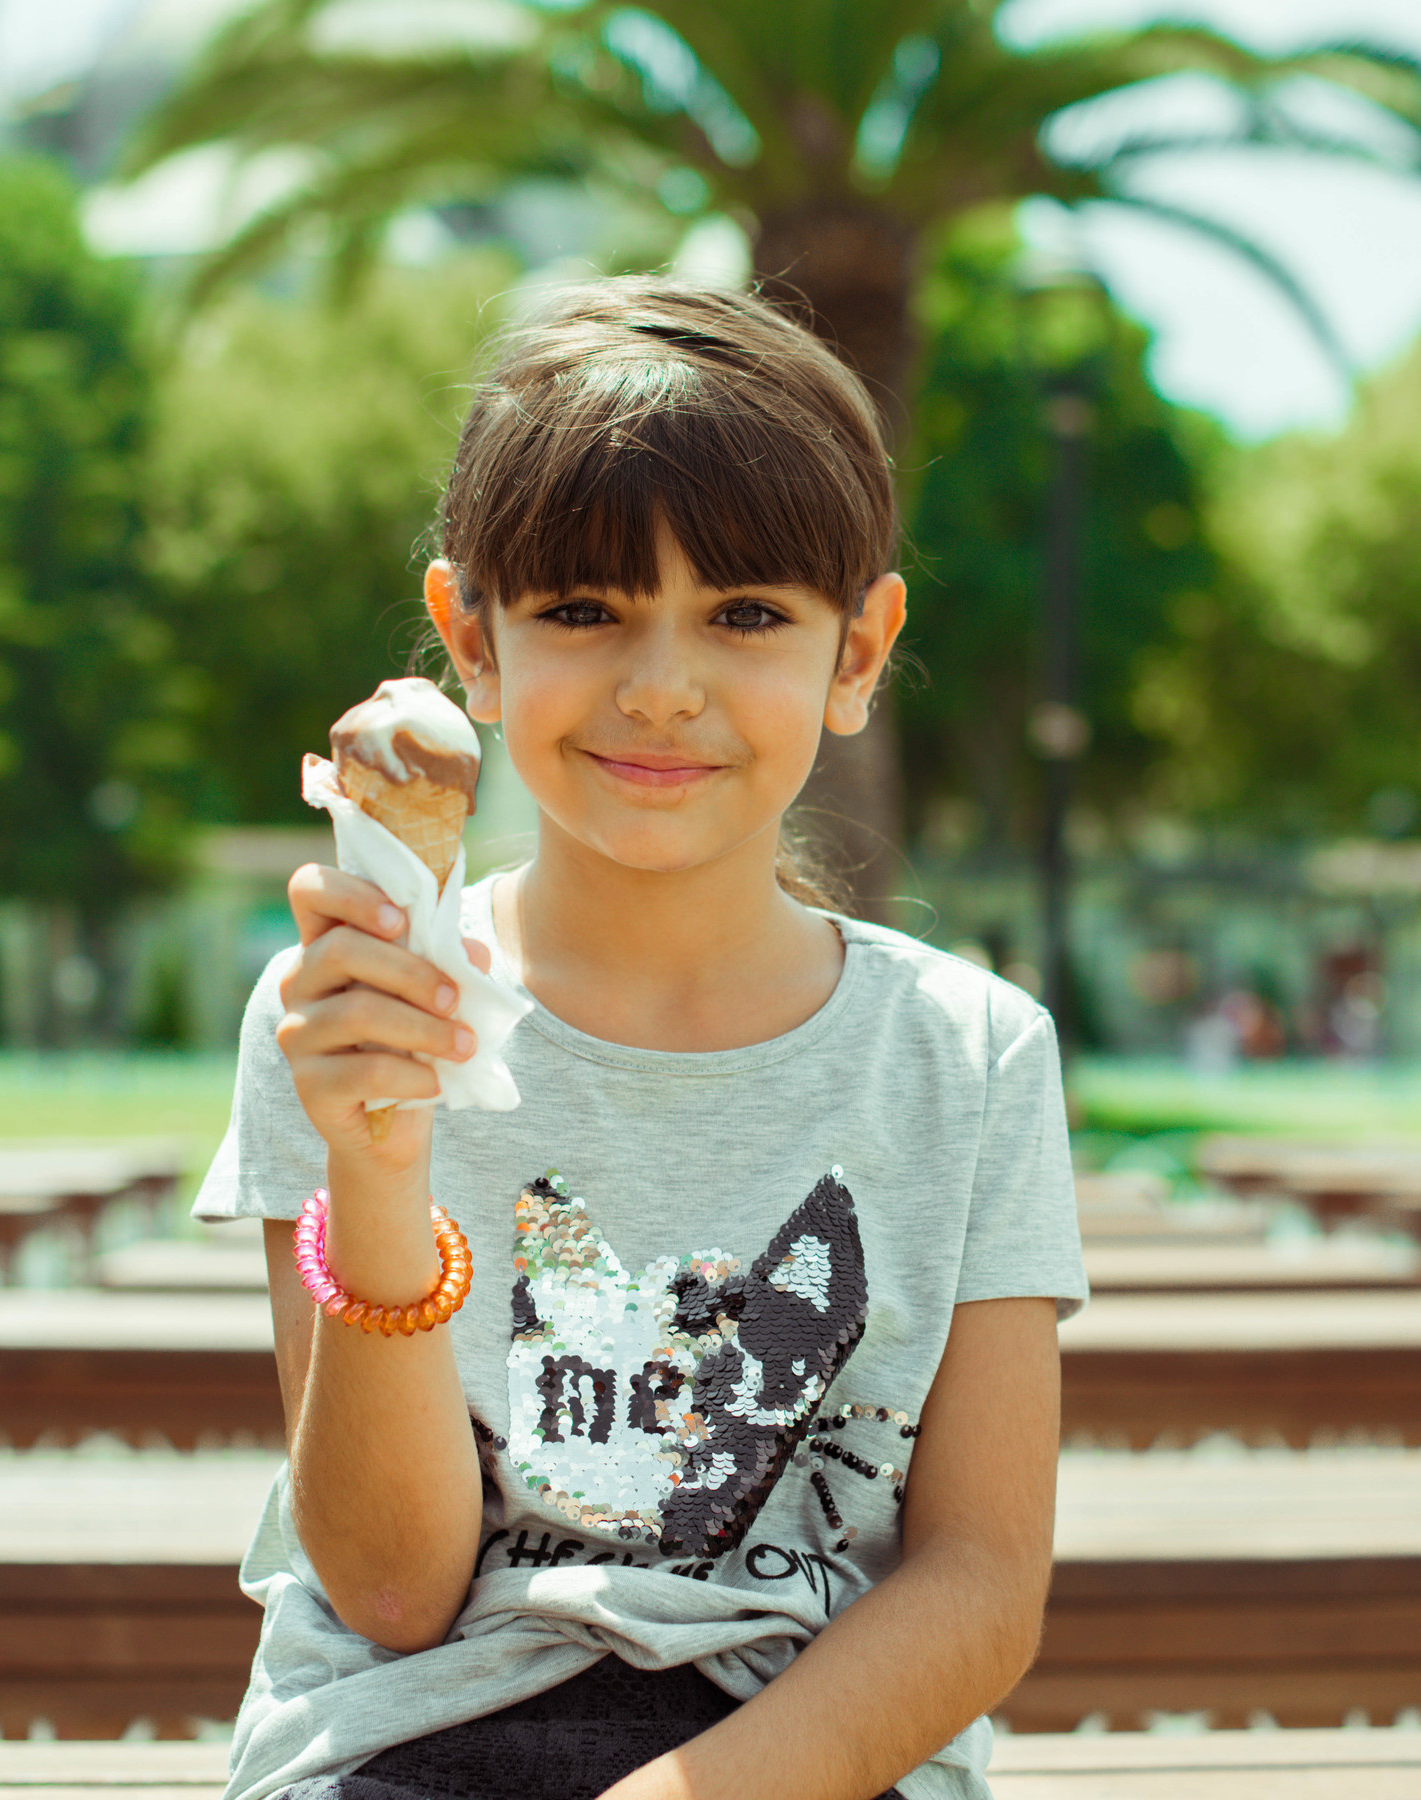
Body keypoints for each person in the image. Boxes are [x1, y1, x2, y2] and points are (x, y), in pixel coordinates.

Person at [191, 278, 1086, 1800]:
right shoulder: (344, 1017)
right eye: (583, 612)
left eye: (747, 615)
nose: (662, 688)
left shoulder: (969, 1057)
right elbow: (395, 1593)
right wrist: (380, 1164)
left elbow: (981, 1588)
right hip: (407, 1743)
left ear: (859, 652)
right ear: (471, 640)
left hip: (808, 1756)